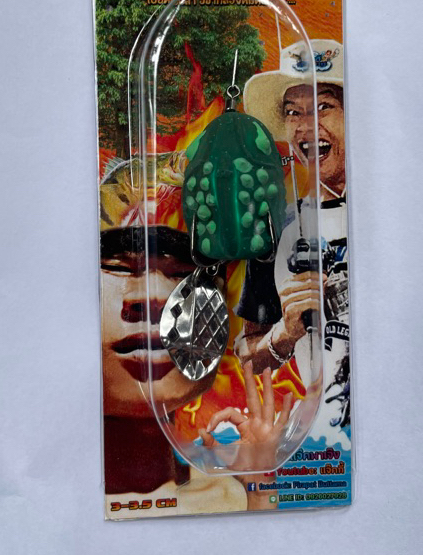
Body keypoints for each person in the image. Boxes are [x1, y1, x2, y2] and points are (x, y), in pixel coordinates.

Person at [99, 156, 294, 518]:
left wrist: (259, 483)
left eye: (183, 271)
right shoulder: (48, 499)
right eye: (118, 266)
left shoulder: (231, 493)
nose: (157, 296)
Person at [234, 40, 350, 429]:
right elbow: (248, 355)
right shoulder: (278, 230)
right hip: (328, 437)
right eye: (292, 112)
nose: (305, 126)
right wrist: (283, 335)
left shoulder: (394, 214)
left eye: (323, 107)